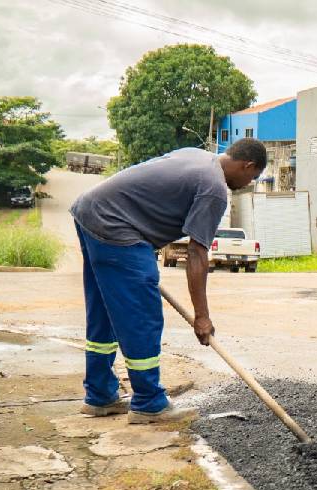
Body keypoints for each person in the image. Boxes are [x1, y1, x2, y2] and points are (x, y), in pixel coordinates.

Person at [72, 138, 266, 424]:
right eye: (253, 176)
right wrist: (202, 317)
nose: (250, 181)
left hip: (91, 211)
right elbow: (197, 254)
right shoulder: (214, 189)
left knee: (104, 312)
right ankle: (149, 403)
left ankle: (100, 396)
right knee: (141, 317)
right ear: (247, 165)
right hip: (118, 227)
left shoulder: (197, 155)